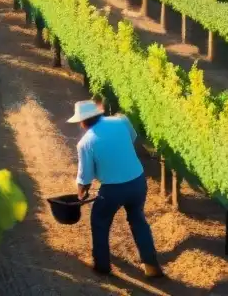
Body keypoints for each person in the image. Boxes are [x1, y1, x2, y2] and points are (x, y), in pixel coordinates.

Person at [69, 99, 164, 279]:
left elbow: (85, 176)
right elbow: (133, 137)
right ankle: (151, 265)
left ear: (83, 121)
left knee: (99, 221)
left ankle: (102, 265)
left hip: (112, 190)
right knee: (138, 220)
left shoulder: (85, 143)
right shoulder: (121, 121)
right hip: (137, 181)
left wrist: (81, 193)